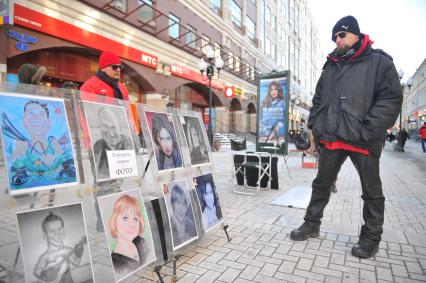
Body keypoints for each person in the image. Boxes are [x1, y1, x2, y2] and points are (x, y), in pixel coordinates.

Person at [290, 16, 402, 259]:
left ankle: (371, 238)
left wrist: (368, 131)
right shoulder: (331, 65)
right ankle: (311, 224)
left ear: (355, 34)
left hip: (363, 141)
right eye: (334, 37)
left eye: (341, 35)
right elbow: (318, 99)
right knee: (321, 185)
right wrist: (316, 126)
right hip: (332, 138)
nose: (337, 40)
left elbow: (390, 100)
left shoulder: (379, 62)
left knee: (371, 191)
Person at [80, 51, 129, 232]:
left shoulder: (122, 88)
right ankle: (103, 221)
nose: (118, 70)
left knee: (119, 182)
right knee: (103, 183)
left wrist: (133, 134)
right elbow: (84, 114)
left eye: (120, 67)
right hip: (100, 145)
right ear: (103, 66)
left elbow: (127, 115)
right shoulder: (90, 86)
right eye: (114, 67)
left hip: (121, 144)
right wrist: (89, 141)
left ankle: (118, 219)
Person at [5, 100, 75, 187]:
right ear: (23, 120)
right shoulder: (21, 145)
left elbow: (61, 155)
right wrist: (16, 153)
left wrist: (53, 158)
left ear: (49, 122)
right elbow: (8, 164)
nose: (35, 117)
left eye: (41, 114)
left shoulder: (52, 142)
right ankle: (21, 176)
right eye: (30, 112)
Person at [33, 212, 85, 283]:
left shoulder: (68, 250)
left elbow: (76, 263)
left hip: (67, 279)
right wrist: (44, 275)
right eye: (51, 231)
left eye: (59, 229)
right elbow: (36, 272)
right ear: (45, 235)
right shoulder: (46, 256)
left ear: (64, 230)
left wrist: (79, 255)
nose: (57, 234)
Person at [108, 194, 152, 275]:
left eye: (135, 219)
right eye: (125, 218)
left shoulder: (141, 242)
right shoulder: (116, 264)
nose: (132, 224)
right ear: (114, 221)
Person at [93, 107, 133, 180]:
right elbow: (97, 176)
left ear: (120, 128)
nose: (111, 134)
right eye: (105, 126)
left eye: (114, 128)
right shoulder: (97, 146)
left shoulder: (128, 144)